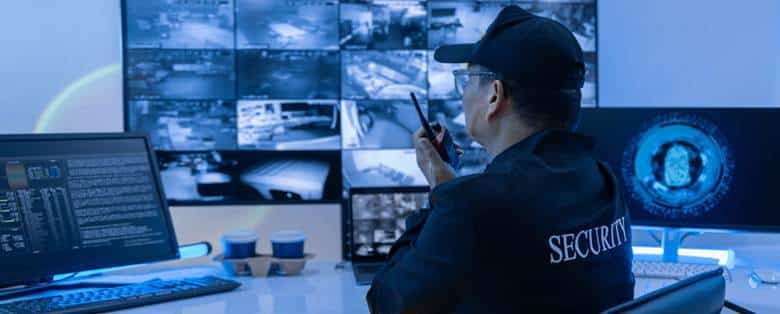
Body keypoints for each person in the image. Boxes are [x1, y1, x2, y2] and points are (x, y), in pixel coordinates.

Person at [366, 6, 634, 314]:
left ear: (494, 95)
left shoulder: (470, 205)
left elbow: (386, 303)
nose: (463, 94)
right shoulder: (603, 182)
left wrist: (441, 195)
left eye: (467, 80)